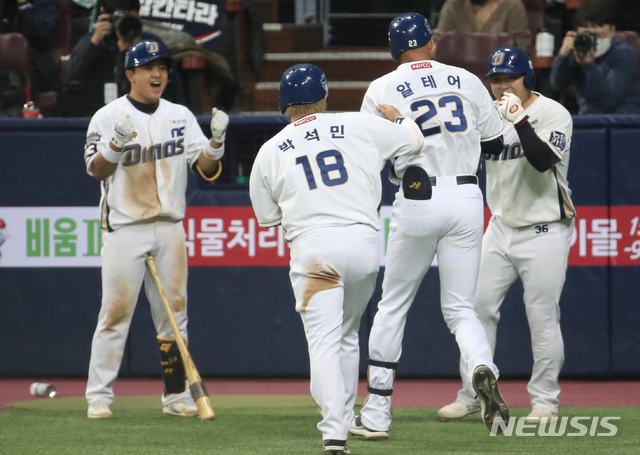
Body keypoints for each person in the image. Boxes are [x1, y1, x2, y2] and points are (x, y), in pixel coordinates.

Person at [249, 64, 425, 454]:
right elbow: (413, 142)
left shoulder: (270, 149)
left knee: (325, 344)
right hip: (364, 244)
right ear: (324, 96)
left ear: (283, 102)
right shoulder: (356, 123)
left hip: (314, 248)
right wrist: (403, 119)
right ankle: (343, 419)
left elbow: (267, 217)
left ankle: (334, 433)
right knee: (347, 335)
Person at [350, 12, 509, 441]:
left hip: (418, 193)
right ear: (430, 42)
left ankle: (378, 414)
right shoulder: (466, 78)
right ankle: (483, 368)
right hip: (467, 194)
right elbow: (495, 144)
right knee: (460, 309)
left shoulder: (382, 87)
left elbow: (369, 157)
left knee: (392, 306)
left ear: (394, 49)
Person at [83, 38, 228, 419]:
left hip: (169, 228)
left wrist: (216, 142)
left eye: (162, 67)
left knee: (175, 315)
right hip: (125, 228)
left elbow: (207, 169)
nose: (158, 73)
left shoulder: (179, 114)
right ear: (130, 73)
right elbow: (95, 169)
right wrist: (114, 145)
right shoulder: (106, 116)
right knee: (114, 314)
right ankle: (99, 396)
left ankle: (176, 396)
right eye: (149, 67)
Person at [439, 46, 575, 424]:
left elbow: (544, 161)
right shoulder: (487, 115)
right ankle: (471, 394)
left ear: (527, 78)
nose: (501, 87)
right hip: (499, 228)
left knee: (542, 317)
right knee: (476, 310)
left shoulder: (552, 113)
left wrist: (520, 121)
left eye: (509, 78)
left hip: (545, 228)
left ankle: (545, 402)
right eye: (495, 80)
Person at [60, 0, 185, 117]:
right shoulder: (91, 40)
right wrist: (93, 42)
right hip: (96, 114)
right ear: (105, 15)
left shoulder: (150, 43)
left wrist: (134, 50)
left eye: (128, 15)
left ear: (138, 15)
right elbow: (68, 78)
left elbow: (172, 85)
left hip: (145, 115)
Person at [549, 1, 640, 115]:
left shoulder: (623, 53)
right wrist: (562, 56)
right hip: (588, 120)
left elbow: (610, 99)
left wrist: (589, 66)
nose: (593, 41)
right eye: (588, 36)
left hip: (622, 121)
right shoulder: (578, 50)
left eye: (597, 36)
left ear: (612, 30)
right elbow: (557, 85)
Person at [432, 0, 532, 57]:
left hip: (499, 76)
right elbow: (437, 40)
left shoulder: (513, 5)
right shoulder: (454, 4)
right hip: (460, 75)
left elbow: (521, 49)